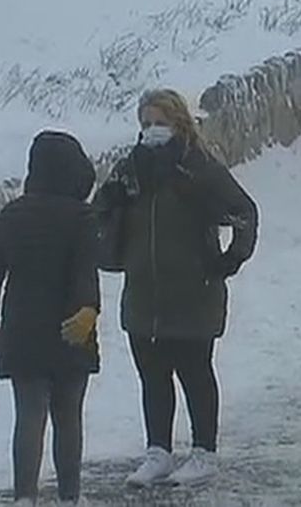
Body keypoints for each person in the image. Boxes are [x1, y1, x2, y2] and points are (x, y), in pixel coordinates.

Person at [94, 89, 259, 489]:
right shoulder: (130, 169)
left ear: (179, 123)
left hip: (193, 291)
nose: (152, 131)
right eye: (146, 123)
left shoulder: (199, 167)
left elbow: (244, 212)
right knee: (152, 375)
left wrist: (228, 260)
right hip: (143, 292)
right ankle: (158, 451)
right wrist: (110, 205)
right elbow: (98, 212)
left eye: (159, 122)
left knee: (195, 372)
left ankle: (204, 451)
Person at [0, 131, 101, 506]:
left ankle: (25, 497)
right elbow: (85, 270)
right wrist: (88, 309)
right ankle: (69, 497)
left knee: (29, 417)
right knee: (68, 419)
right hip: (70, 331)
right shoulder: (81, 216)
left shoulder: (12, 214)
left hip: (22, 333)